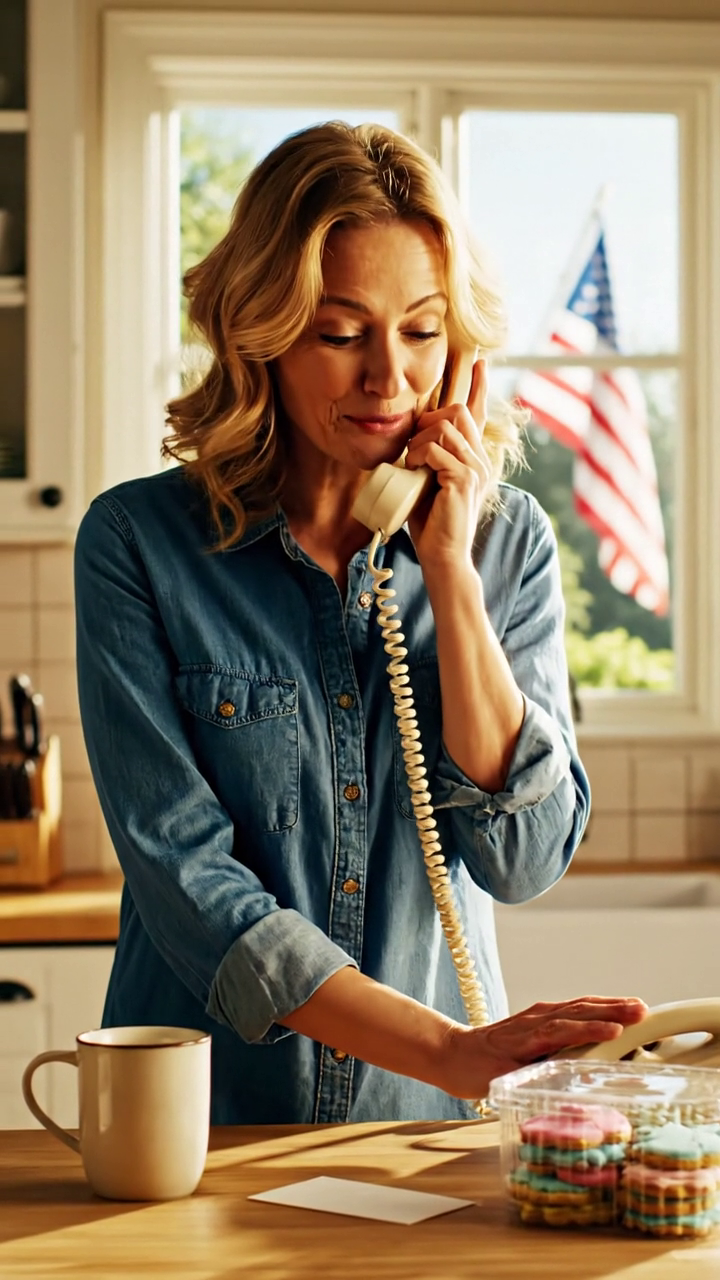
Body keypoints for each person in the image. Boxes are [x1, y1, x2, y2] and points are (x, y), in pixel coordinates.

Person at [75, 121, 647, 1125]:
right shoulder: (137, 542)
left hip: (423, 1127)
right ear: (260, 333)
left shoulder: (506, 542)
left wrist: (450, 572)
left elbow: (523, 859)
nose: (389, 377)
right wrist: (449, 1051)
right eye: (341, 334)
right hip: (203, 1125)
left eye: (422, 332)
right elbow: (187, 877)